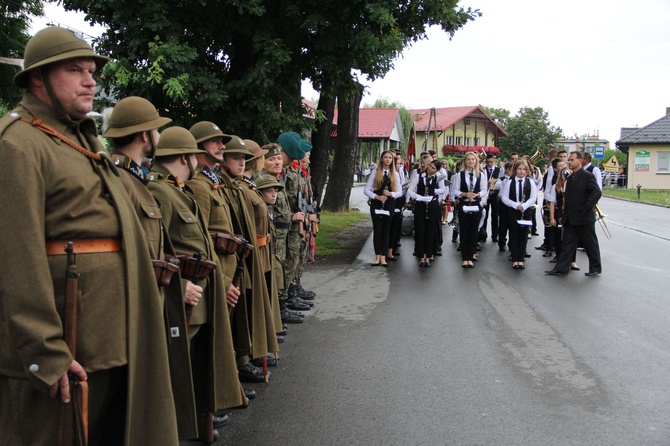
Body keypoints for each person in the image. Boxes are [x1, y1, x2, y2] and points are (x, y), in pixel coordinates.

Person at [0, 27, 179, 445]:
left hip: (108, 341)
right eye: (75, 70)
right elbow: (15, 257)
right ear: (38, 79)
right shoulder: (19, 145)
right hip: (65, 349)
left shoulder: (79, 142)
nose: (90, 80)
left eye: (93, 70)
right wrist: (45, 353)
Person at [102, 97, 199, 438]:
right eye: (155, 128)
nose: (159, 133)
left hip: (149, 301)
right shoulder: (119, 180)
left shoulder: (134, 179)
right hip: (131, 308)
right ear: (145, 135)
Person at [149, 127, 243, 443]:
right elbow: (153, 249)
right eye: (193, 155)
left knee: (191, 362)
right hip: (182, 293)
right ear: (185, 156)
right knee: (176, 364)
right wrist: (177, 286)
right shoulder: (160, 192)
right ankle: (175, 426)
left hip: (197, 293)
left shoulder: (179, 190)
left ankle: (190, 421)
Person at [546, 151, 602, 277]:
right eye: (569, 160)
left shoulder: (587, 176)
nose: (569, 162)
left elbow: (596, 192)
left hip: (584, 218)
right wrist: (563, 214)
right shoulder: (570, 178)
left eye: (572, 160)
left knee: (590, 244)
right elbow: (568, 199)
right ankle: (561, 268)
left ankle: (595, 268)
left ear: (580, 161)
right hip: (570, 218)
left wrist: (586, 207)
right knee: (567, 243)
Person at [364, 150, 402, 266]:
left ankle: (384, 257)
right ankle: (377, 256)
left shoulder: (394, 173)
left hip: (389, 204)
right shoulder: (375, 172)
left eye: (390, 158)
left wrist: (392, 194)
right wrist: (376, 197)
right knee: (378, 230)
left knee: (386, 231)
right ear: (381, 159)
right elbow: (366, 189)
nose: (387, 160)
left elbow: (400, 191)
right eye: (385, 157)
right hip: (377, 203)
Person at [451, 151, 488, 268]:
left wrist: (477, 195)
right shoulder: (459, 175)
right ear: (465, 161)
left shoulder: (480, 175)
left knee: (473, 231)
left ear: (476, 161)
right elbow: (455, 190)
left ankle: (471, 256)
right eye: (468, 159)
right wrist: (465, 194)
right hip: (464, 204)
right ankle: (464, 257)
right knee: (464, 231)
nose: (471, 161)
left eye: (473, 159)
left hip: (476, 205)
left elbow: (484, 190)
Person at [407, 159, 445, 266]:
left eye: (433, 168)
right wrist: (418, 197)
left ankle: (428, 256)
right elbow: (410, 190)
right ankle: (421, 256)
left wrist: (438, 167)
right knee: (420, 230)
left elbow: (444, 174)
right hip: (420, 204)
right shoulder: (419, 176)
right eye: (430, 166)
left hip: (432, 206)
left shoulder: (437, 177)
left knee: (431, 230)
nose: (430, 169)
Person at [501, 160, 538, 269]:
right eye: (519, 169)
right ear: (515, 170)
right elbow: (504, 197)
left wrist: (524, 205)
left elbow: (533, 197)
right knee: (513, 234)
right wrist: (515, 205)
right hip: (513, 211)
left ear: (527, 171)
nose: (522, 172)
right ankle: (514, 257)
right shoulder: (509, 182)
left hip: (526, 211)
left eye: (524, 169)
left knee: (523, 235)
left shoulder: (530, 182)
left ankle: (520, 259)